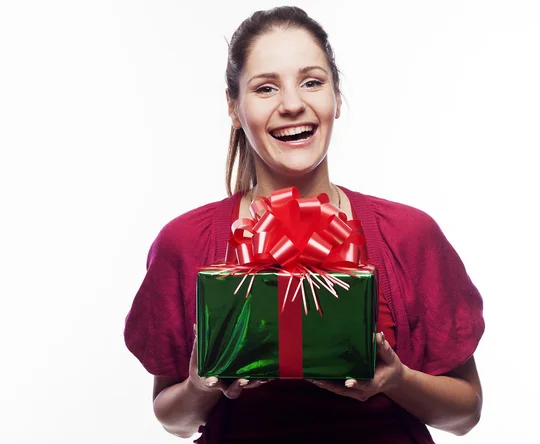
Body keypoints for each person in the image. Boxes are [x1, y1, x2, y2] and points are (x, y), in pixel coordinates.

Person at [124, 6, 485, 443]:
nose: (293, 104)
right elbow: (174, 421)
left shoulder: (409, 235)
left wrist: (395, 379)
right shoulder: (185, 243)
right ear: (234, 108)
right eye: (265, 88)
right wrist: (202, 384)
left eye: (312, 81)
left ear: (336, 96)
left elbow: (465, 414)